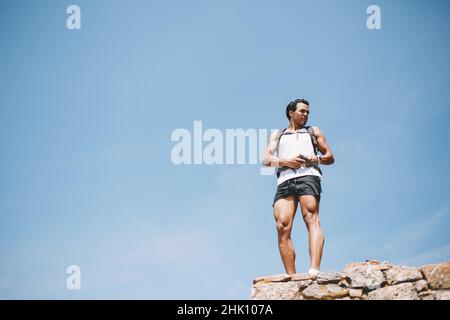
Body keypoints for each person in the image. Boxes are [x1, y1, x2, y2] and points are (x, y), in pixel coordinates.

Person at [262, 98, 335, 276]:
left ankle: (314, 270)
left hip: (308, 176)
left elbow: (330, 157)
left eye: (308, 112)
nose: (306, 114)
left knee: (310, 217)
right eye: (302, 111)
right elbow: (265, 160)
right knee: (282, 226)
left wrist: (314, 159)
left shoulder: (313, 131)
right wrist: (286, 161)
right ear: (291, 113)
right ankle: (291, 277)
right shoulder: (278, 134)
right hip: (284, 179)